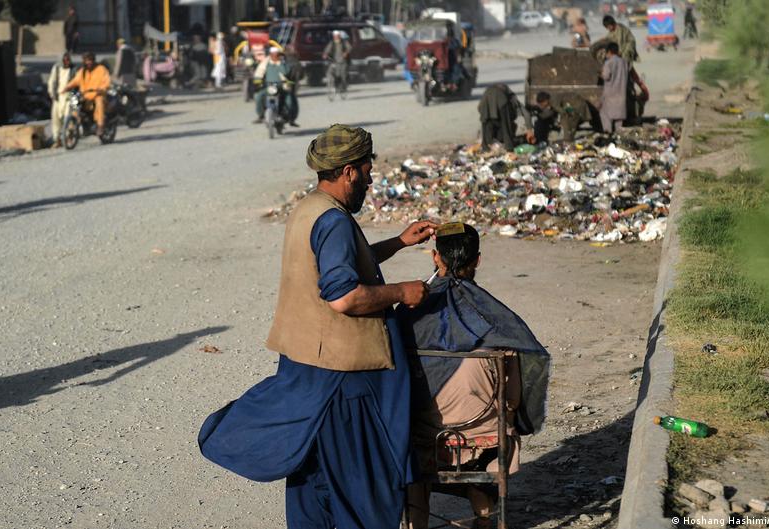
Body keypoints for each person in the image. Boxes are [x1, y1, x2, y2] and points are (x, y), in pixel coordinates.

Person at [199, 124, 437, 529]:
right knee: (359, 483)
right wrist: (403, 291)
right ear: (348, 171)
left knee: (315, 479)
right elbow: (343, 295)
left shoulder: (310, 208)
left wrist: (397, 243)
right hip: (343, 377)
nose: (370, 177)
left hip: (306, 361)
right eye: (366, 169)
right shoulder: (335, 222)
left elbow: (339, 264)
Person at [396, 222, 549, 529]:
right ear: (477, 260)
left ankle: (417, 522)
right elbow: (515, 395)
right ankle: (484, 518)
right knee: (492, 426)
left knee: (411, 446)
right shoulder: (496, 320)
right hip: (484, 433)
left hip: (425, 433)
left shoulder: (409, 315)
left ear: (436, 258)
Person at [64, 52, 111, 136]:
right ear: (84, 61)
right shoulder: (82, 71)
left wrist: (102, 89)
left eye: (90, 60)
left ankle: (100, 125)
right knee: (75, 104)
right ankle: (75, 124)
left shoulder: (101, 69)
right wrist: (66, 88)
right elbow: (75, 81)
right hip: (85, 96)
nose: (88, 62)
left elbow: (107, 81)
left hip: (98, 94)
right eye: (86, 60)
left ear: (93, 60)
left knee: (99, 102)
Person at [477, 83, 532, 151]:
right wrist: (529, 130)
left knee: (486, 123)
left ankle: (485, 148)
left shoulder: (489, 94)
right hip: (501, 100)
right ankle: (509, 147)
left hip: (486, 99)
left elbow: (480, 109)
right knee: (506, 125)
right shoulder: (510, 97)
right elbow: (526, 113)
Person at [253, 47, 298, 126]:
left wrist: (280, 63)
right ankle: (261, 115)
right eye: (273, 54)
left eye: (276, 54)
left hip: (282, 88)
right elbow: (259, 73)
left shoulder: (283, 63)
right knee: (259, 97)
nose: (275, 56)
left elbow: (286, 72)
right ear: (270, 55)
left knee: (290, 101)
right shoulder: (265, 63)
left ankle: (290, 119)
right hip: (270, 87)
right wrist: (258, 82)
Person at [48, 53, 76, 147]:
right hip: (58, 97)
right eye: (65, 60)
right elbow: (51, 82)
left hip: (70, 97)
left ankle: (69, 137)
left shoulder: (74, 69)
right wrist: (52, 94)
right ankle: (57, 139)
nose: (67, 62)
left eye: (68, 59)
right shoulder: (56, 68)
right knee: (55, 119)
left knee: (69, 118)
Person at [600, 42, 627, 134]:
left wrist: (601, 73)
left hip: (610, 95)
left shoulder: (608, 63)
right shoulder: (624, 62)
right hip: (621, 94)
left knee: (605, 114)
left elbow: (606, 76)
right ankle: (619, 136)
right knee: (619, 119)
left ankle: (608, 134)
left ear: (609, 52)